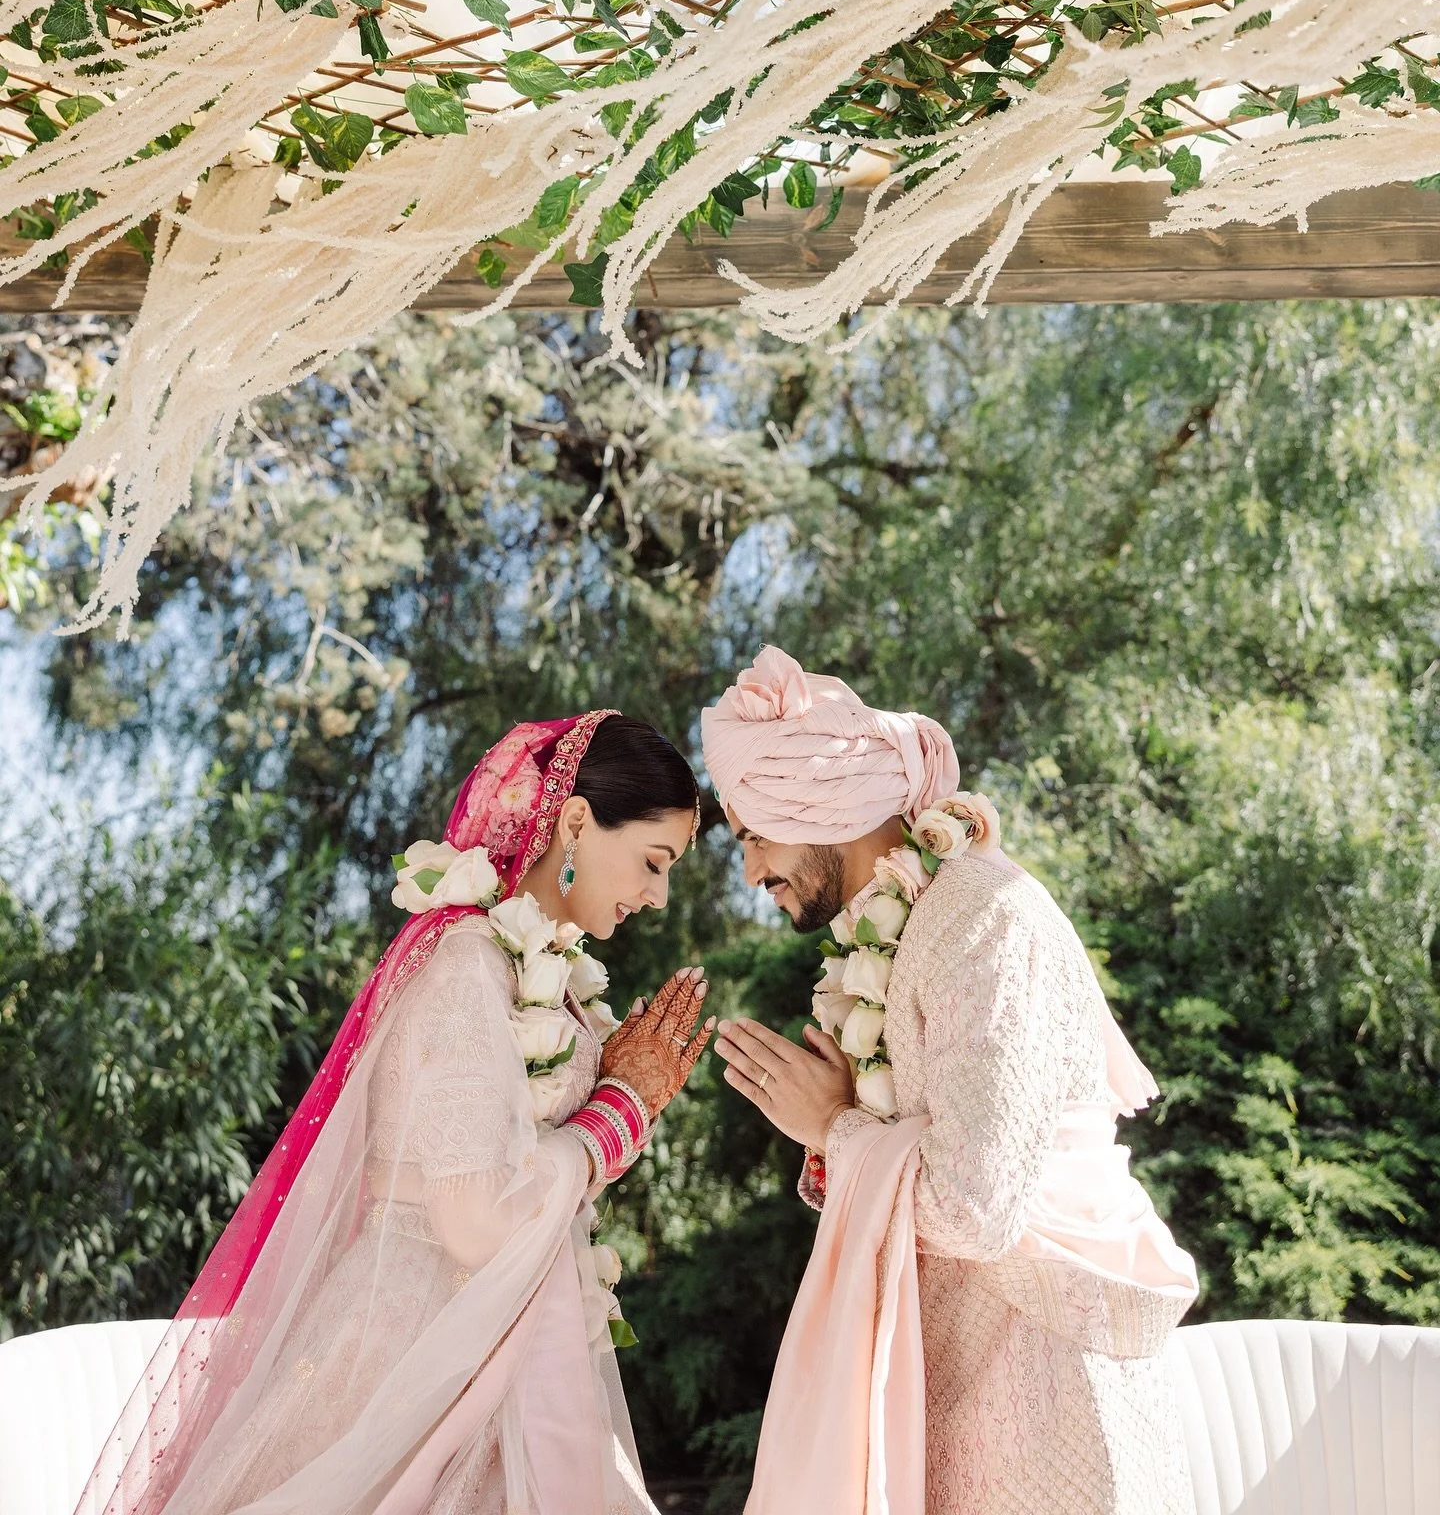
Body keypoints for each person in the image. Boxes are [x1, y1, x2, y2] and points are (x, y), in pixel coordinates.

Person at [78, 711, 712, 1515]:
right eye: (654, 862)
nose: (658, 896)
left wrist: (617, 1107)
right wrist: (617, 1113)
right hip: (414, 1357)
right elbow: (475, 1220)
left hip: (493, 1344)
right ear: (578, 821)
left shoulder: (538, 973)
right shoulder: (468, 967)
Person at [703, 648, 1200, 1515]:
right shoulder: (888, 936)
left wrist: (834, 1132)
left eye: (752, 836)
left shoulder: (983, 914)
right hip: (953, 1384)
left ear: (817, 805)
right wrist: (837, 1132)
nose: (750, 873)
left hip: (1049, 1385)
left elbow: (975, 1203)